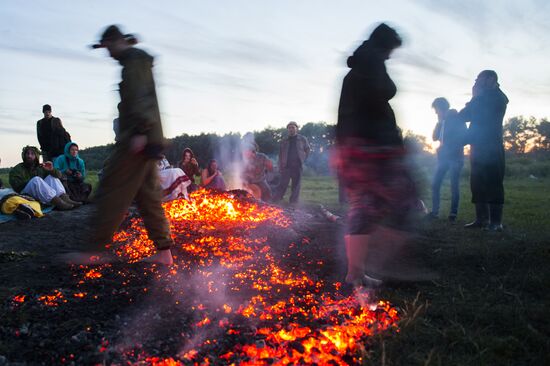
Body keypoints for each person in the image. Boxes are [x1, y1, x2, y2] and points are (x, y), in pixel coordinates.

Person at [67, 24, 175, 265]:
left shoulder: (133, 61)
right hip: (148, 136)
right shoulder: (135, 60)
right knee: (148, 197)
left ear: (117, 42)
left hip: (138, 137)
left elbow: (140, 95)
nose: (108, 54)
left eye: (108, 48)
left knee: (112, 189)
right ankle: (164, 252)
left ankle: (92, 250)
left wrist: (139, 130)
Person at [335, 23, 418, 288]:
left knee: (364, 208)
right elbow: (382, 92)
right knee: (404, 200)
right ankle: (386, 264)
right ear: (385, 45)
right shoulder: (371, 62)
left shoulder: (361, 64)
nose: (391, 55)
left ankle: (355, 274)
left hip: (356, 149)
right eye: (391, 50)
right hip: (372, 150)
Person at [458, 70, 508, 231]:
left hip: (492, 146)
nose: (476, 81)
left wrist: (477, 98)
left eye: (479, 78)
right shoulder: (479, 98)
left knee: (494, 183)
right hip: (477, 147)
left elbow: (483, 116)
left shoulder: (499, 98)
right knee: (477, 183)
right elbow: (463, 116)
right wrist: (475, 97)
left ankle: (496, 223)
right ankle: (481, 220)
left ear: (490, 79)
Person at [428, 98, 467, 221]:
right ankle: (435, 212)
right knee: (435, 184)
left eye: (436, 110)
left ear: (441, 108)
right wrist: (439, 123)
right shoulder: (441, 121)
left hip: (456, 158)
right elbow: (434, 138)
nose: (435, 113)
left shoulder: (457, 118)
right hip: (443, 159)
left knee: (454, 186)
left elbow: (464, 137)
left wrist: (451, 147)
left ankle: (453, 214)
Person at [8, 146, 79, 210]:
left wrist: (51, 169)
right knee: (36, 180)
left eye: (32, 154)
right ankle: (59, 203)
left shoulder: (40, 167)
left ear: (36, 156)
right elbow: (16, 186)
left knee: (51, 177)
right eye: (27, 154)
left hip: (39, 192)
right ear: (24, 156)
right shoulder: (18, 169)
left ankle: (66, 199)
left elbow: (59, 176)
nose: (29, 156)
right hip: (25, 193)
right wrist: (32, 182)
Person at [274, 121, 311, 204]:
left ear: (296, 129)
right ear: (287, 129)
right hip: (286, 165)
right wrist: (279, 165)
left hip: (297, 165)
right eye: (289, 128)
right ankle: (277, 199)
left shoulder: (302, 139)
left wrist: (303, 159)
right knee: (283, 184)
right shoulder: (284, 140)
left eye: (293, 127)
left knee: (296, 185)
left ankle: (293, 202)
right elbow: (280, 154)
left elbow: (307, 149)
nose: (291, 129)